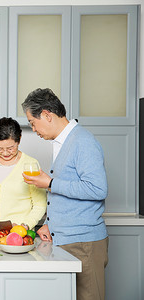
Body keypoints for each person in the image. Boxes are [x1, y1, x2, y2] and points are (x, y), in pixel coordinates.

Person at [22, 88, 108, 300]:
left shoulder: (82, 141)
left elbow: (97, 189)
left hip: (84, 243)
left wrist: (49, 182)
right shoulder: (62, 142)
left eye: (33, 122)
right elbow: (71, 190)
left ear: (47, 115)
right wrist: (53, 224)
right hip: (67, 240)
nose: (33, 129)